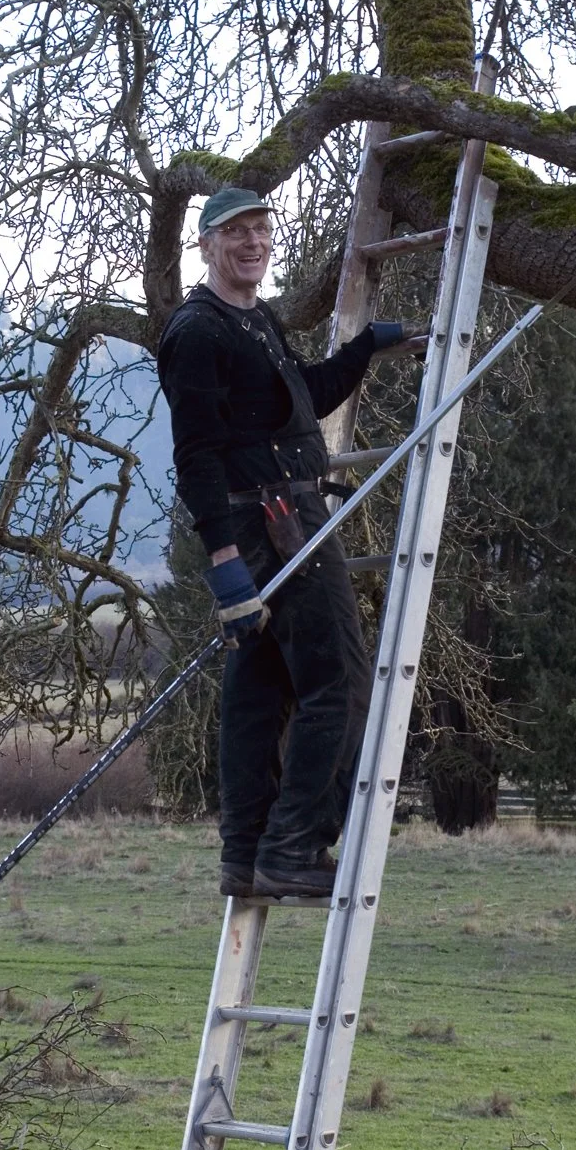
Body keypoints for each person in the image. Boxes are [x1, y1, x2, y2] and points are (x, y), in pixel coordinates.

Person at [158, 185, 422, 900]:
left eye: (260, 229)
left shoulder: (254, 320)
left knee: (260, 693)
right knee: (338, 682)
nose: (252, 242)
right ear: (207, 246)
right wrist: (225, 566)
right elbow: (195, 455)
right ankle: (292, 846)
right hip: (270, 522)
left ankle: (245, 858)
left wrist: (365, 347)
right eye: (235, 232)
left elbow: (301, 401)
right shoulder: (197, 332)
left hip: (280, 511)